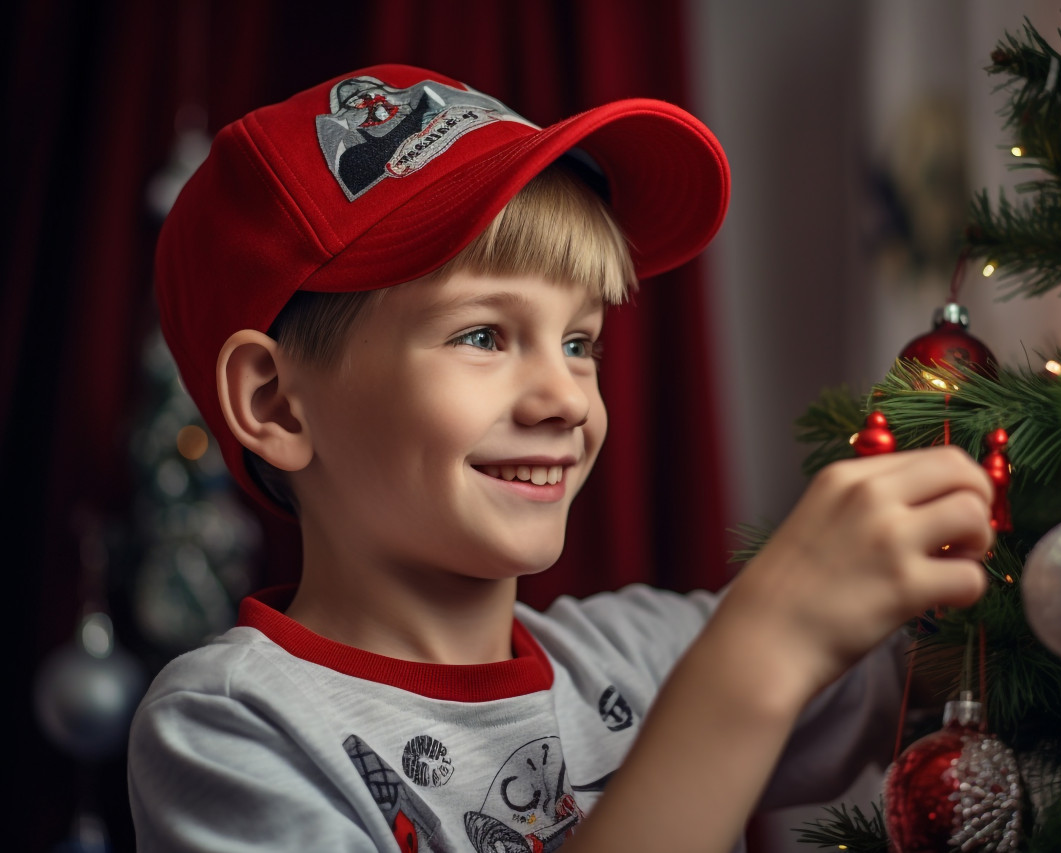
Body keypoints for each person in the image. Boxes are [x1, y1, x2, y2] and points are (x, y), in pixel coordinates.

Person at [128, 63, 994, 853]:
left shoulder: (644, 653)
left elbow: (965, 655)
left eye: (581, 342)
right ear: (275, 401)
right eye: (483, 334)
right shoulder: (232, 724)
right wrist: (758, 659)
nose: (566, 398)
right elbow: (763, 657)